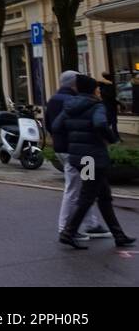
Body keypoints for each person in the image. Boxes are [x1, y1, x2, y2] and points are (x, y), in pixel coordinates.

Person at [55, 74, 136, 249]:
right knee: (87, 196)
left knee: (103, 196)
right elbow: (100, 124)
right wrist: (111, 139)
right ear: (93, 90)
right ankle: (68, 232)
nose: (99, 91)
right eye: (98, 89)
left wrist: (72, 138)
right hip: (92, 158)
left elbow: (56, 126)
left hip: (79, 157)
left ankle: (118, 235)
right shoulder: (96, 106)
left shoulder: (69, 105)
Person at [45, 70, 106, 238]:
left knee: (84, 188)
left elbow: (50, 125)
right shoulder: (77, 101)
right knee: (76, 188)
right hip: (82, 153)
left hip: (64, 149)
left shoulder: (53, 100)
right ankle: (66, 227)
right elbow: (94, 125)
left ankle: (90, 223)